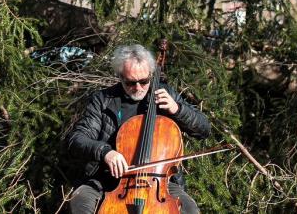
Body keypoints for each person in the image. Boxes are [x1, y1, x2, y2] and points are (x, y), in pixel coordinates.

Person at [63, 43, 211, 214]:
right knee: (80, 200)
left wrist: (177, 109)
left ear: (150, 74)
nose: (139, 88)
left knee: (190, 209)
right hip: (106, 180)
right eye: (131, 83)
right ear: (120, 77)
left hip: (159, 181)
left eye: (144, 81)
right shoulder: (103, 100)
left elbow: (203, 129)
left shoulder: (166, 94)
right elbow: (77, 139)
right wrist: (105, 152)